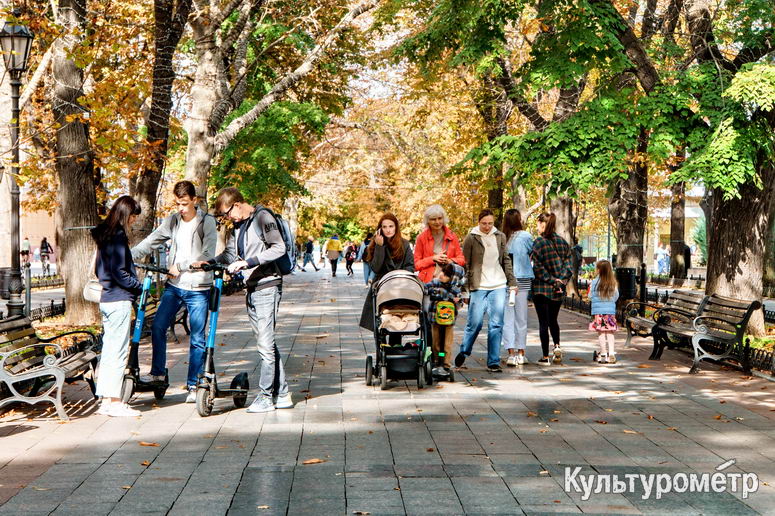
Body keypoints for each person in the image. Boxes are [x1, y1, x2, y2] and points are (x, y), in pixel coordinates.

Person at [196, 187, 292, 413]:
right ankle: (284, 393)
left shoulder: (263, 218)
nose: (227, 218)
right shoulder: (238, 226)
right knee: (266, 343)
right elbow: (230, 254)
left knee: (265, 345)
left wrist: (248, 262)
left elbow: (279, 248)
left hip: (267, 286)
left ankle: (267, 397)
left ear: (237, 204)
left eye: (227, 213)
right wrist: (208, 261)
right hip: (253, 288)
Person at [131, 181, 217, 403]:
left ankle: (193, 384)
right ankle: (158, 372)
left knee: (197, 337)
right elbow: (152, 240)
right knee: (158, 326)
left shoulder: (207, 222)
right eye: (178, 203)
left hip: (198, 288)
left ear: (194, 200)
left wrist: (181, 266)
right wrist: (126, 255)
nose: (180, 208)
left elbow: (207, 254)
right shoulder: (173, 220)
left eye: (185, 203)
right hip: (175, 286)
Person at [92, 196, 143, 417]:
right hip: (120, 298)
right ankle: (114, 401)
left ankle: (105, 399)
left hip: (107, 298)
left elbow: (100, 269)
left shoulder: (105, 236)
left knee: (110, 351)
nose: (133, 221)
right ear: (125, 214)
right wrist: (137, 286)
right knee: (118, 352)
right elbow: (120, 272)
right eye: (132, 216)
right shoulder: (119, 237)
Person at [454, 209, 516, 373]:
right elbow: (465, 264)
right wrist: (464, 290)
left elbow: (505, 260)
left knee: (496, 324)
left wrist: (512, 282)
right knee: (475, 323)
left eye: (490, 223)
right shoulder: (472, 237)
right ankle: (464, 350)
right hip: (478, 286)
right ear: (478, 222)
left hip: (498, 284)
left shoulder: (500, 236)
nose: (487, 227)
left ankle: (493, 361)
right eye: (484, 223)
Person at [359, 213, 414, 332]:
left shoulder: (404, 244)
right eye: (384, 227)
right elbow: (376, 268)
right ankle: (383, 341)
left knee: (398, 315)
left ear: (396, 227)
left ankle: (396, 343)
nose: (388, 230)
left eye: (391, 226)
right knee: (382, 317)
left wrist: (401, 276)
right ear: (380, 229)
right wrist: (380, 247)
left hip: (400, 283)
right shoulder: (375, 244)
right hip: (382, 284)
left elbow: (410, 266)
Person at [531, 212, 573, 366]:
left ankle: (544, 356)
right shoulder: (563, 243)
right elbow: (569, 267)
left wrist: (550, 280)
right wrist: (560, 281)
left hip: (541, 289)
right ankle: (557, 346)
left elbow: (537, 268)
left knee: (543, 322)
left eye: (537, 224)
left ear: (543, 224)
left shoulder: (538, 243)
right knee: (553, 320)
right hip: (557, 290)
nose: (537, 228)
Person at [501, 209, 534, 366]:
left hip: (506, 281)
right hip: (523, 280)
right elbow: (531, 252)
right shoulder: (526, 236)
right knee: (521, 318)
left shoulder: (502, 238)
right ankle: (521, 353)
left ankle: (511, 354)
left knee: (508, 318)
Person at [425, 262, 464, 376]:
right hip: (435, 320)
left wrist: (457, 301)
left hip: (448, 322)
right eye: (442, 271)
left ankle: (446, 364)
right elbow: (425, 288)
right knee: (436, 342)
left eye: (446, 275)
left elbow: (459, 303)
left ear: (453, 278)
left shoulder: (455, 290)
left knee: (447, 344)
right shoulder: (435, 283)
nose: (442, 275)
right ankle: (437, 361)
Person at [413, 204, 465, 283]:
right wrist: (433, 258)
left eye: (440, 218)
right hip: (428, 282)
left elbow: (461, 260)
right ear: (428, 221)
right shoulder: (421, 238)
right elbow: (416, 265)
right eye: (433, 219)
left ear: (443, 218)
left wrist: (450, 261)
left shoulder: (452, 236)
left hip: (448, 282)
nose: (437, 222)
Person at [589, 259, 619, 364]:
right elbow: (616, 296)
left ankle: (602, 354)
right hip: (610, 312)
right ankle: (611, 354)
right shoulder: (613, 283)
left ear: (599, 270)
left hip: (599, 312)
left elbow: (590, 296)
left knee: (601, 332)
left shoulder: (594, 282)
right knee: (610, 332)